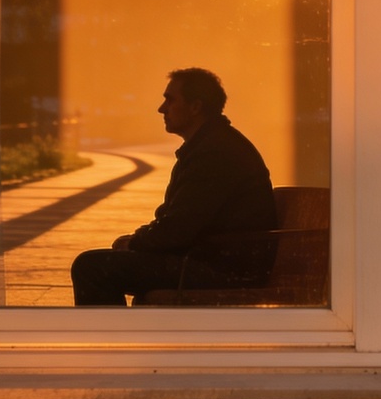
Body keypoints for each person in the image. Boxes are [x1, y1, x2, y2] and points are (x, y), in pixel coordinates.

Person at [70, 68, 278, 305]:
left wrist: (136, 242)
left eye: (170, 99)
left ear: (195, 107)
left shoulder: (215, 153)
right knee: (110, 262)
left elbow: (178, 229)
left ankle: (113, 341)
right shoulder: (210, 145)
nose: (162, 108)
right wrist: (142, 240)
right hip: (213, 260)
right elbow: (176, 222)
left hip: (224, 270)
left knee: (92, 268)